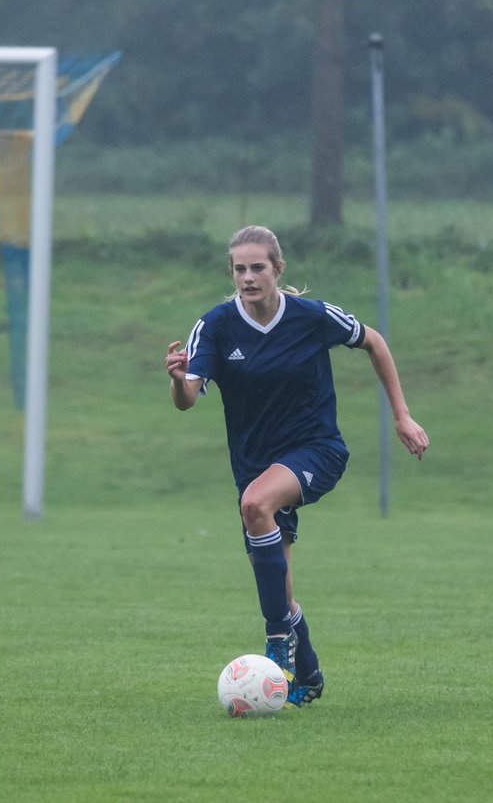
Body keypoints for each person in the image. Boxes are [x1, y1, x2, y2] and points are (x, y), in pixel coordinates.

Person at [165, 225, 429, 707]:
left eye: (257, 267)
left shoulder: (310, 316)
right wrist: (179, 380)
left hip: (316, 450)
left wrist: (403, 416)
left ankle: (276, 643)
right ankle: (307, 675)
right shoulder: (216, 326)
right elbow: (188, 399)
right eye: (240, 269)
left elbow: (374, 342)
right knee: (277, 586)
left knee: (255, 504)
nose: (248, 277)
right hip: (254, 465)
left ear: (278, 269)